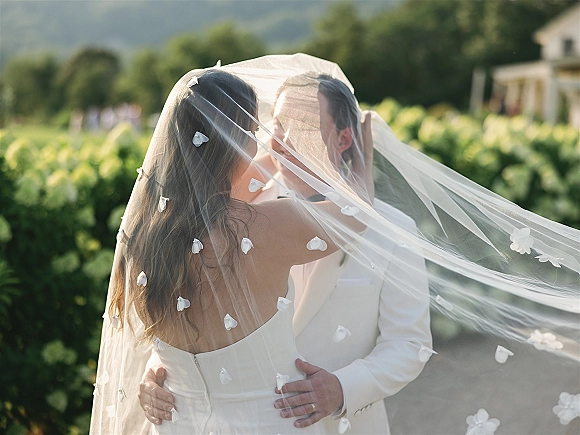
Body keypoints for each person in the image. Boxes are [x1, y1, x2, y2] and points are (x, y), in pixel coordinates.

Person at [139, 73, 432, 435]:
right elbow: (188, 312)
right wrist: (157, 375)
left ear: (344, 138)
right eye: (276, 125)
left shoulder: (394, 230)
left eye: (302, 127)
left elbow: (410, 344)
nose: (280, 142)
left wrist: (342, 388)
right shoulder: (233, 217)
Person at [90, 68, 372, 434]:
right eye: (254, 134)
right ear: (232, 142)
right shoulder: (267, 225)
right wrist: (364, 158)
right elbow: (357, 212)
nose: (263, 144)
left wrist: (274, 150)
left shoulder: (142, 235)